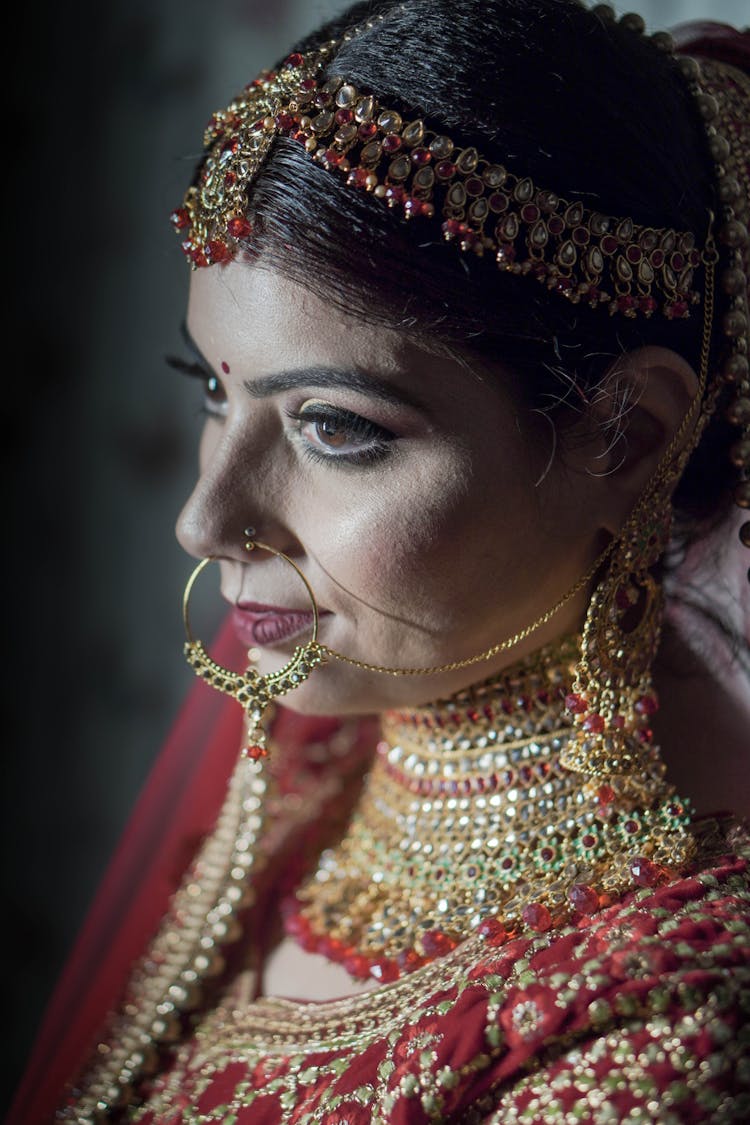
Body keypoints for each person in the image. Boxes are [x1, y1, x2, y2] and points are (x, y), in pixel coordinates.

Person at [10, 1, 750, 1122]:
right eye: (216, 391)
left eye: (335, 428)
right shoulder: (308, 788)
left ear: (627, 437)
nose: (205, 521)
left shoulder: (670, 1012)